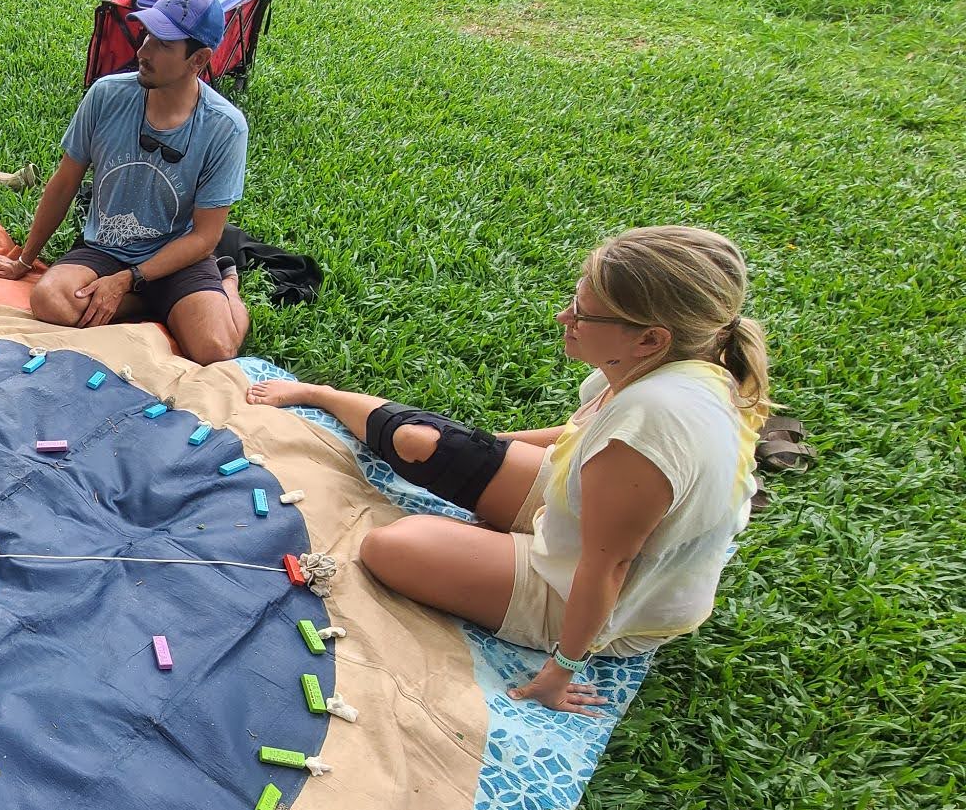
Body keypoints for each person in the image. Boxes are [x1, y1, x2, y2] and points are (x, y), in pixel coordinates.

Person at [246, 226, 768, 711]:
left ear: (650, 338)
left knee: (391, 547)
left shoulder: (649, 425)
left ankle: (502, 564)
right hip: (586, 506)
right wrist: (474, 447)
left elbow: (608, 567)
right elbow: (580, 439)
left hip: (596, 593)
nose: (565, 319)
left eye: (584, 314)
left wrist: (560, 671)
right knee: (424, 443)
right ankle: (321, 394)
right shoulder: (684, 360)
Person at [0, 0, 251, 363]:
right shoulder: (106, 94)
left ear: (198, 60)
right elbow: (63, 184)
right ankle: (152, 306)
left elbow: (206, 237)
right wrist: (24, 260)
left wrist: (129, 279)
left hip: (177, 258)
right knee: (49, 300)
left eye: (163, 44)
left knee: (216, 349)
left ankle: (228, 285)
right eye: (147, 36)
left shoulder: (225, 127)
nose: (143, 51)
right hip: (105, 246)